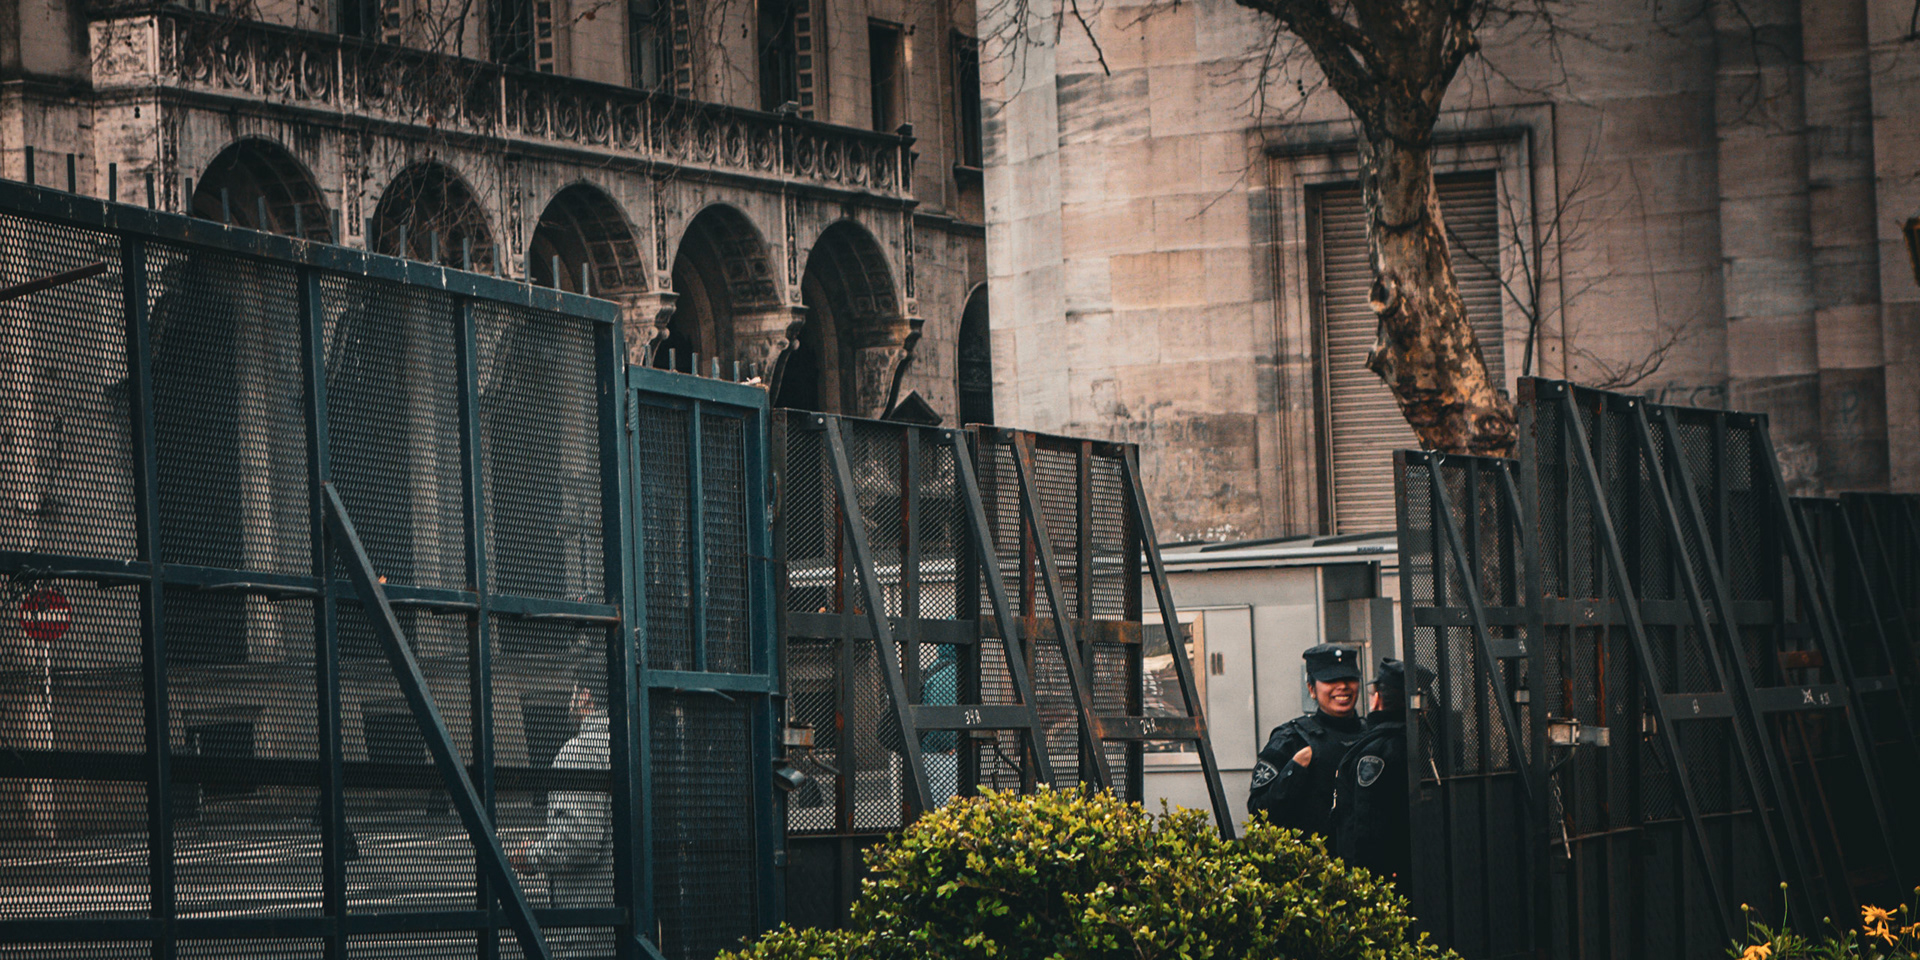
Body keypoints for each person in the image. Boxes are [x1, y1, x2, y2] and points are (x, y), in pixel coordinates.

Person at [511, 665, 612, 952]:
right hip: (629, 922)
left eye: (572, 693)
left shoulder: (577, 751)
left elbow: (577, 841)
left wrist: (530, 855)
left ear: (585, 697)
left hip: (588, 924)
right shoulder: (633, 745)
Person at [1248, 643, 1367, 838]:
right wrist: (1295, 768)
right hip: (1315, 864)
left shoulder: (1372, 735)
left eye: (1349, 678)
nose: (1343, 686)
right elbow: (1259, 812)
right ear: (1311, 688)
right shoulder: (1290, 740)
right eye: (1331, 680)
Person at [1331, 658, 1412, 885]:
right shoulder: (1429, 739)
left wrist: (1357, 881)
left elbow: (1364, 827)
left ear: (1377, 699)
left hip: (1383, 880)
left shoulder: (1376, 750)